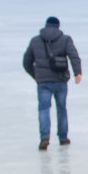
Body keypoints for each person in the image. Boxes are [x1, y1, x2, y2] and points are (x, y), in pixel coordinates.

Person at [22, 16, 81, 150]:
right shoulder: (65, 39)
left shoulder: (35, 41)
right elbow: (73, 55)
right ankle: (63, 138)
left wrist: (36, 76)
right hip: (60, 80)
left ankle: (44, 137)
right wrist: (77, 72)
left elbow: (26, 62)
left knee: (43, 109)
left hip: (43, 82)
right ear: (58, 26)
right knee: (61, 109)